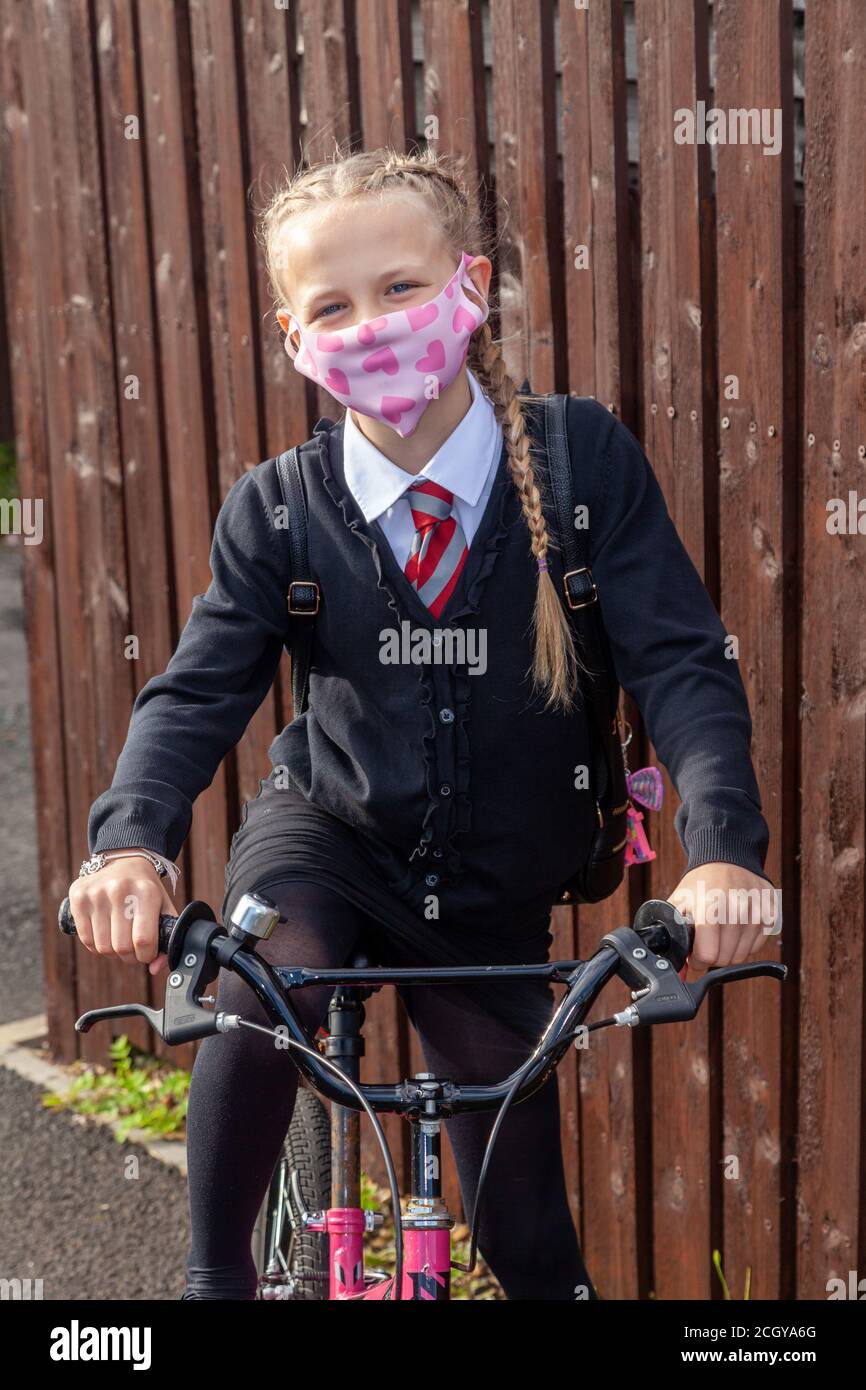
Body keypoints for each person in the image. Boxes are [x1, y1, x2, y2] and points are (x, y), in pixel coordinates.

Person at [68, 146, 775, 1301]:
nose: (372, 323)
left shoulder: (578, 457)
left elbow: (682, 665)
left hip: (492, 870)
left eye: (399, 286)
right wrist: (129, 843)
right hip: (328, 834)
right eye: (331, 305)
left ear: (469, 284)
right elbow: (194, 691)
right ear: (295, 339)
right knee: (262, 989)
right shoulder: (279, 508)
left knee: (530, 1241)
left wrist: (724, 858)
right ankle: (211, 1279)